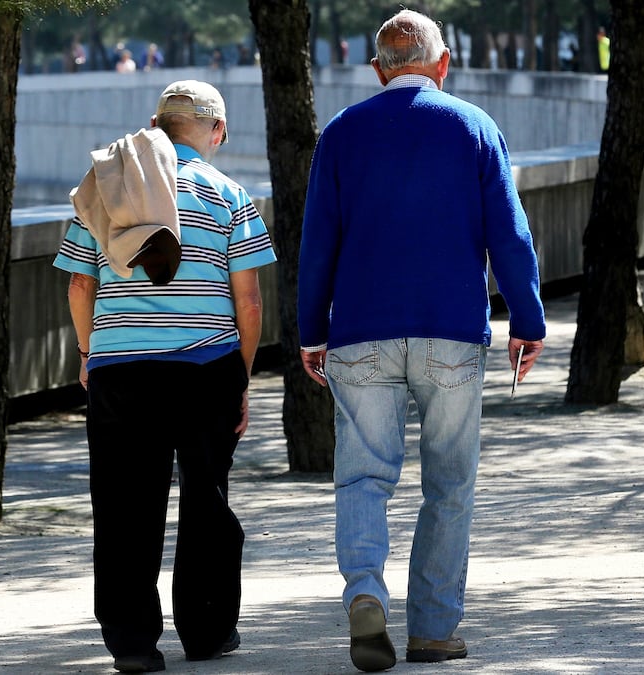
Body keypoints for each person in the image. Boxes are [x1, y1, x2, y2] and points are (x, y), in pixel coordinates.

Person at [298, 9, 546, 673]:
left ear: (378, 69)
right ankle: (434, 629)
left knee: (362, 476)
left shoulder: (342, 133)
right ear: (443, 64)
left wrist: (310, 330)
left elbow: (318, 241)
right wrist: (528, 318)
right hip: (452, 332)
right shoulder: (473, 127)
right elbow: (509, 235)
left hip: (359, 333)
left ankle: (366, 594)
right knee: (449, 483)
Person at [52, 80, 277, 673]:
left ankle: (131, 643)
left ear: (156, 123)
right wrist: (243, 376)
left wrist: (88, 352)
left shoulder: (106, 189)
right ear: (216, 131)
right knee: (207, 502)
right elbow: (249, 303)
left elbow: (79, 284)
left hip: (120, 372)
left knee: (125, 506)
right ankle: (205, 633)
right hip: (207, 369)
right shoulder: (230, 196)